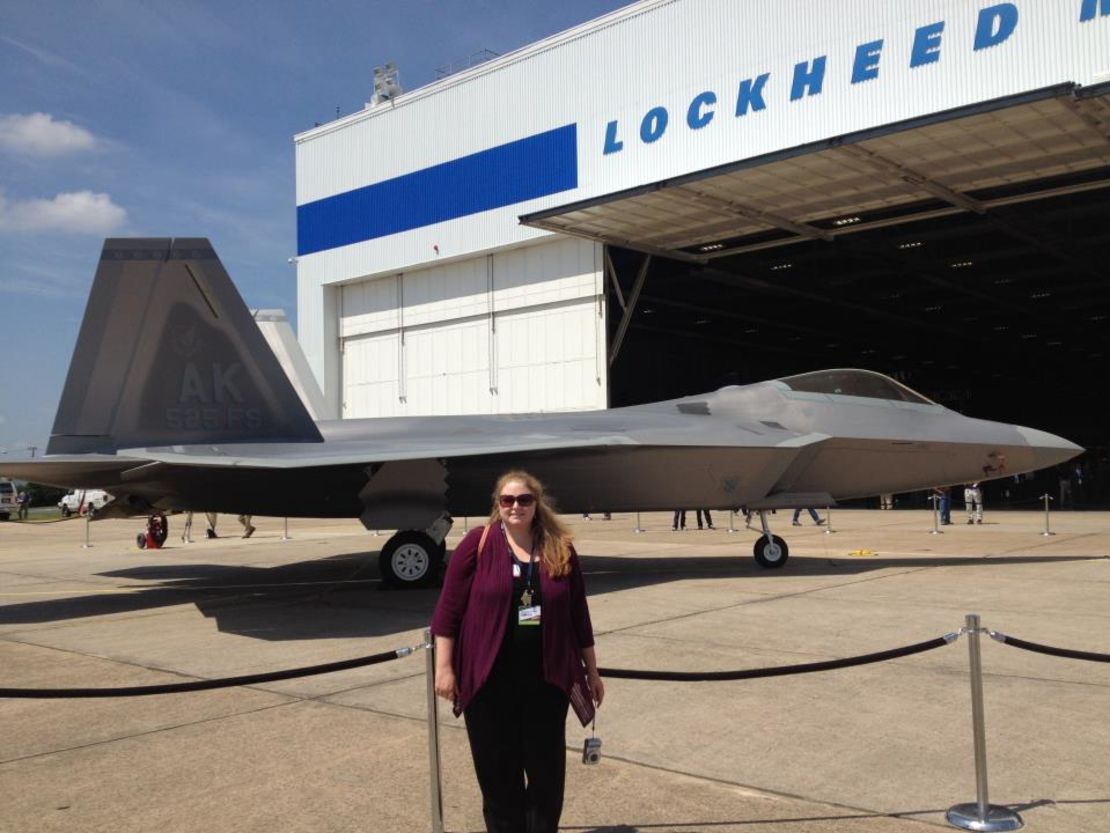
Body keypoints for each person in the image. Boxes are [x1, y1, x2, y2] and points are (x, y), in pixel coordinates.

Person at [431, 470, 603, 833]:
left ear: (536, 503)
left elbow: (578, 614)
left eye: (524, 499)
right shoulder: (477, 544)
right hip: (489, 683)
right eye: (507, 500)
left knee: (547, 780)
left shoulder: (559, 546)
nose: (515, 506)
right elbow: (448, 612)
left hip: (546, 682)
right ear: (497, 505)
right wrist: (444, 668)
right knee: (498, 780)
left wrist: (592, 670)